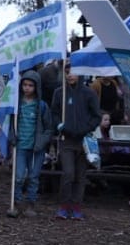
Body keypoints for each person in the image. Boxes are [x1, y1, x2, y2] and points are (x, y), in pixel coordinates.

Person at [52, 63, 100, 220]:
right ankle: (64, 205)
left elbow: (96, 116)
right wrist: (60, 126)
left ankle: (76, 206)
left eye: (73, 72)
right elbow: (54, 113)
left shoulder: (89, 93)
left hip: (84, 140)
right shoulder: (59, 92)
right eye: (67, 72)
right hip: (67, 139)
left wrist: (86, 128)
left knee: (80, 175)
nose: (70, 75)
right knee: (68, 173)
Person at [6, 71, 53, 218]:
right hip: (20, 146)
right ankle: (16, 202)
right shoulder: (17, 105)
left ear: (36, 87)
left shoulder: (42, 106)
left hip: (36, 148)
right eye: (25, 85)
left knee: (33, 177)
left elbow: (49, 128)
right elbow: (10, 124)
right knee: (19, 176)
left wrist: (42, 142)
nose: (27, 88)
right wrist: (12, 137)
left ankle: (31, 204)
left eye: (31, 85)